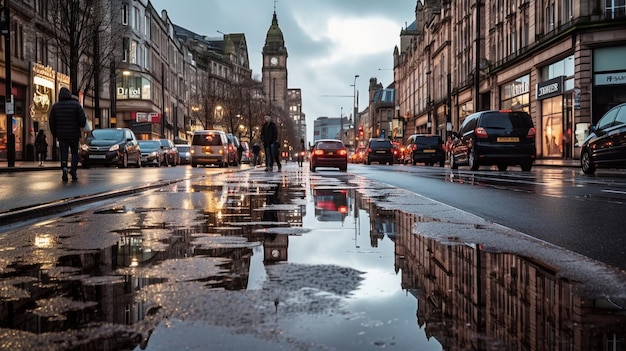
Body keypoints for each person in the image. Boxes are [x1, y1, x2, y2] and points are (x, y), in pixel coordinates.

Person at [49, 87, 87, 182]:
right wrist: (80, 126)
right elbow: (82, 120)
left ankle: (64, 168)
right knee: (74, 153)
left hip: (62, 135)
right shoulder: (76, 105)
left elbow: (51, 122)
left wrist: (55, 134)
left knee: (63, 153)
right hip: (74, 134)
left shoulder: (55, 107)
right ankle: (73, 170)